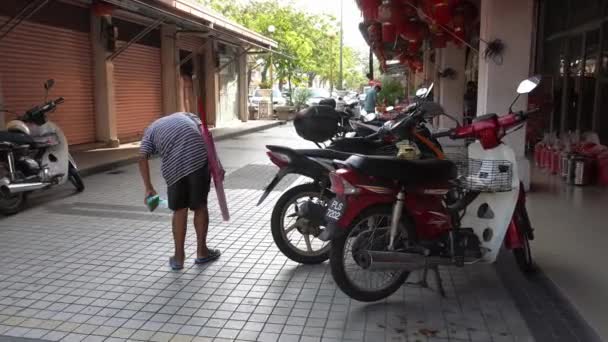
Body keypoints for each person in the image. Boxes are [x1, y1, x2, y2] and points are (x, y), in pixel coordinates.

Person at [138, 112, 220, 271]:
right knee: (200, 206)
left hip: (174, 168)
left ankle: (178, 258)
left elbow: (142, 157)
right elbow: (207, 136)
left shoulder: (150, 132)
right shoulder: (187, 116)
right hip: (198, 156)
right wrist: (217, 165)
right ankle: (202, 252)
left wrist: (149, 188)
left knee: (179, 209)